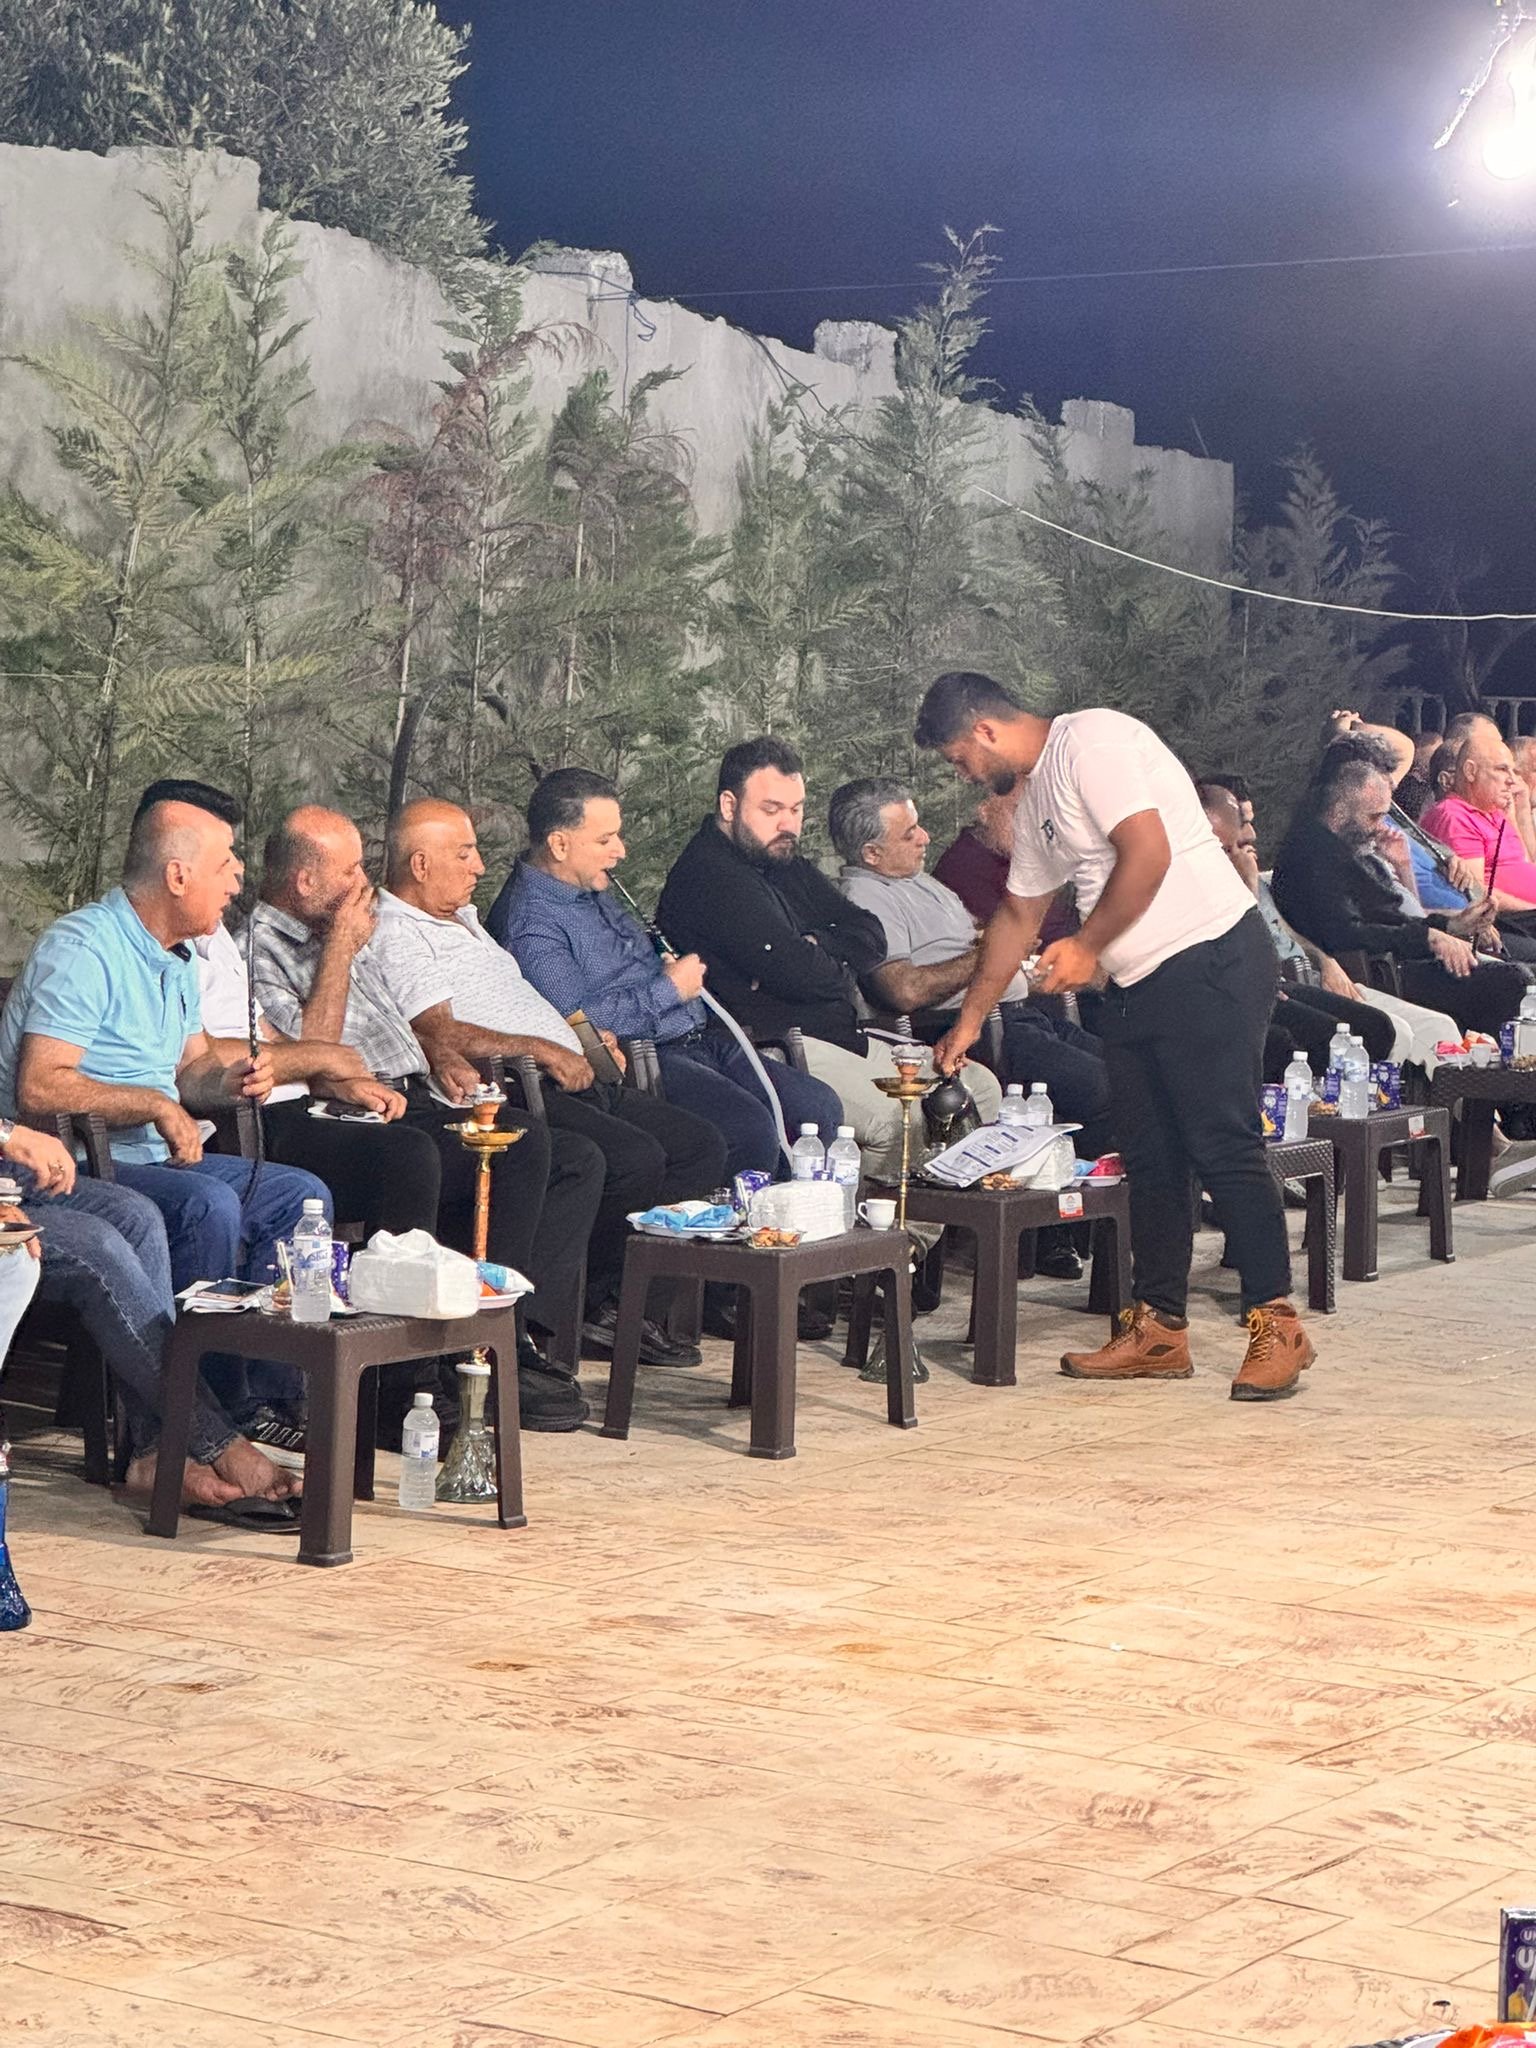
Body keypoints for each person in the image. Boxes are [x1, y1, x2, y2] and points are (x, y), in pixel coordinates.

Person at [915, 669, 1313, 1402]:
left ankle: (1277, 1322)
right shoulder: (1037, 796)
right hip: (1138, 983)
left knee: (1222, 1142)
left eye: (958, 758)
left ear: (984, 731)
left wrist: (1088, 944)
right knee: (1151, 1157)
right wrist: (968, 1020)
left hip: (1211, 957)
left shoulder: (1092, 740)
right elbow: (1017, 916)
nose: (963, 773)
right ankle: (1159, 1328)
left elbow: (1147, 852)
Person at [249, 806, 603, 1428]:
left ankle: (490, 1340)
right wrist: (340, 950)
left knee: (531, 1144)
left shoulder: (341, 925)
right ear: (305, 882)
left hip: (401, 1093)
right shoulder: (260, 947)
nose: (364, 882)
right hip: (318, 1113)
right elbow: (312, 1052)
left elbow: (402, 1021)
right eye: (350, 870)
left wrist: (438, 1053)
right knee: (415, 1156)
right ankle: (401, 1381)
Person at [0, 794, 330, 1444]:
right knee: (207, 1205)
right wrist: (154, 1104)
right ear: (178, 875)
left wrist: (228, 1081)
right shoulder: (85, 947)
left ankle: (271, 1398)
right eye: (226, 862)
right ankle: (214, 1417)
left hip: (153, 1158)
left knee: (298, 1195)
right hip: (78, 1163)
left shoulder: (177, 957)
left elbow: (190, 1067)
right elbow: (40, 1086)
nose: (238, 877)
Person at [371, 799, 723, 1367]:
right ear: (420, 864)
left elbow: (516, 1003)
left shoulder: (463, 918)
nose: (480, 866)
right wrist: (543, 1048)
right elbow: (438, 1030)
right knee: (629, 1157)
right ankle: (552, 1321)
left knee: (698, 1146)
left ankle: (619, 1304)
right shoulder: (398, 930)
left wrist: (584, 1039)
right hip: (520, 1083)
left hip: (571, 1067)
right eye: (465, 854)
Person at [656, 737, 1000, 1181]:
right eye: (772, 809)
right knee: (894, 1120)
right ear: (729, 805)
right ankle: (887, 1225)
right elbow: (801, 973)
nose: (788, 824)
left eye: (796, 809)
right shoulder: (711, 875)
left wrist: (817, 944)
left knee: (981, 1089)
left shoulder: (780, 857)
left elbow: (869, 932)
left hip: (845, 1035)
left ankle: (956, 1218)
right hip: (778, 1048)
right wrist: (833, 965)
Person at [487, 768, 843, 1183]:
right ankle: (750, 1221)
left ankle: (804, 1212)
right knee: (749, 1128)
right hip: (647, 1056)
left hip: (701, 1038)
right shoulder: (532, 924)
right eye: (605, 840)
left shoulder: (587, 885)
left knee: (818, 1106)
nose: (620, 851)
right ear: (559, 844)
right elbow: (577, 1025)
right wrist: (669, 988)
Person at [4, 1124, 298, 1507]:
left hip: (12, 1177)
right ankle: (219, 1441)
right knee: (101, 1246)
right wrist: (8, 1135)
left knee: (137, 1215)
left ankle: (155, 1451)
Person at [829, 777, 1114, 1159]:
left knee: (1133, 1071)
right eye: (909, 834)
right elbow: (903, 990)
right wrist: (994, 952)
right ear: (872, 853)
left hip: (1021, 1016)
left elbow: (973, 946)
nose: (925, 838)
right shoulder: (867, 897)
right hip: (971, 1033)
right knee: (1103, 1086)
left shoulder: (920, 882)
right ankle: (1087, 1189)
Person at [1271, 748, 1526, 1037]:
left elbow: (1391, 917)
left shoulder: (1351, 847)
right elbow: (1346, 933)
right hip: (1383, 971)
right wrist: (1428, 938)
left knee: (1514, 978)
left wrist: (1452, 926)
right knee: (1511, 982)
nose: (1380, 828)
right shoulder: (1312, 857)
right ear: (1339, 811)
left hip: (1401, 958)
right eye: (1373, 817)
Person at [1195, 783, 1395, 1074]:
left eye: (1234, 845)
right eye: (1223, 849)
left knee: (1377, 1028)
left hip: (1271, 981)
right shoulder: (1194, 887)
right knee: (1319, 1038)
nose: (1237, 853)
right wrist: (1249, 887)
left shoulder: (1241, 872)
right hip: (1230, 990)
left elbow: (1280, 933)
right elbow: (1242, 946)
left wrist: (1323, 960)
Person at [1421, 726, 1536, 910]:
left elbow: (1523, 864)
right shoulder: (1455, 816)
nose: (1512, 780)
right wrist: (1531, 910)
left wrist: (1514, 816)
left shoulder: (1495, 812)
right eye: (1502, 769)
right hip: (1513, 920)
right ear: (1471, 771)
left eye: (1513, 771)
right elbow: (1474, 893)